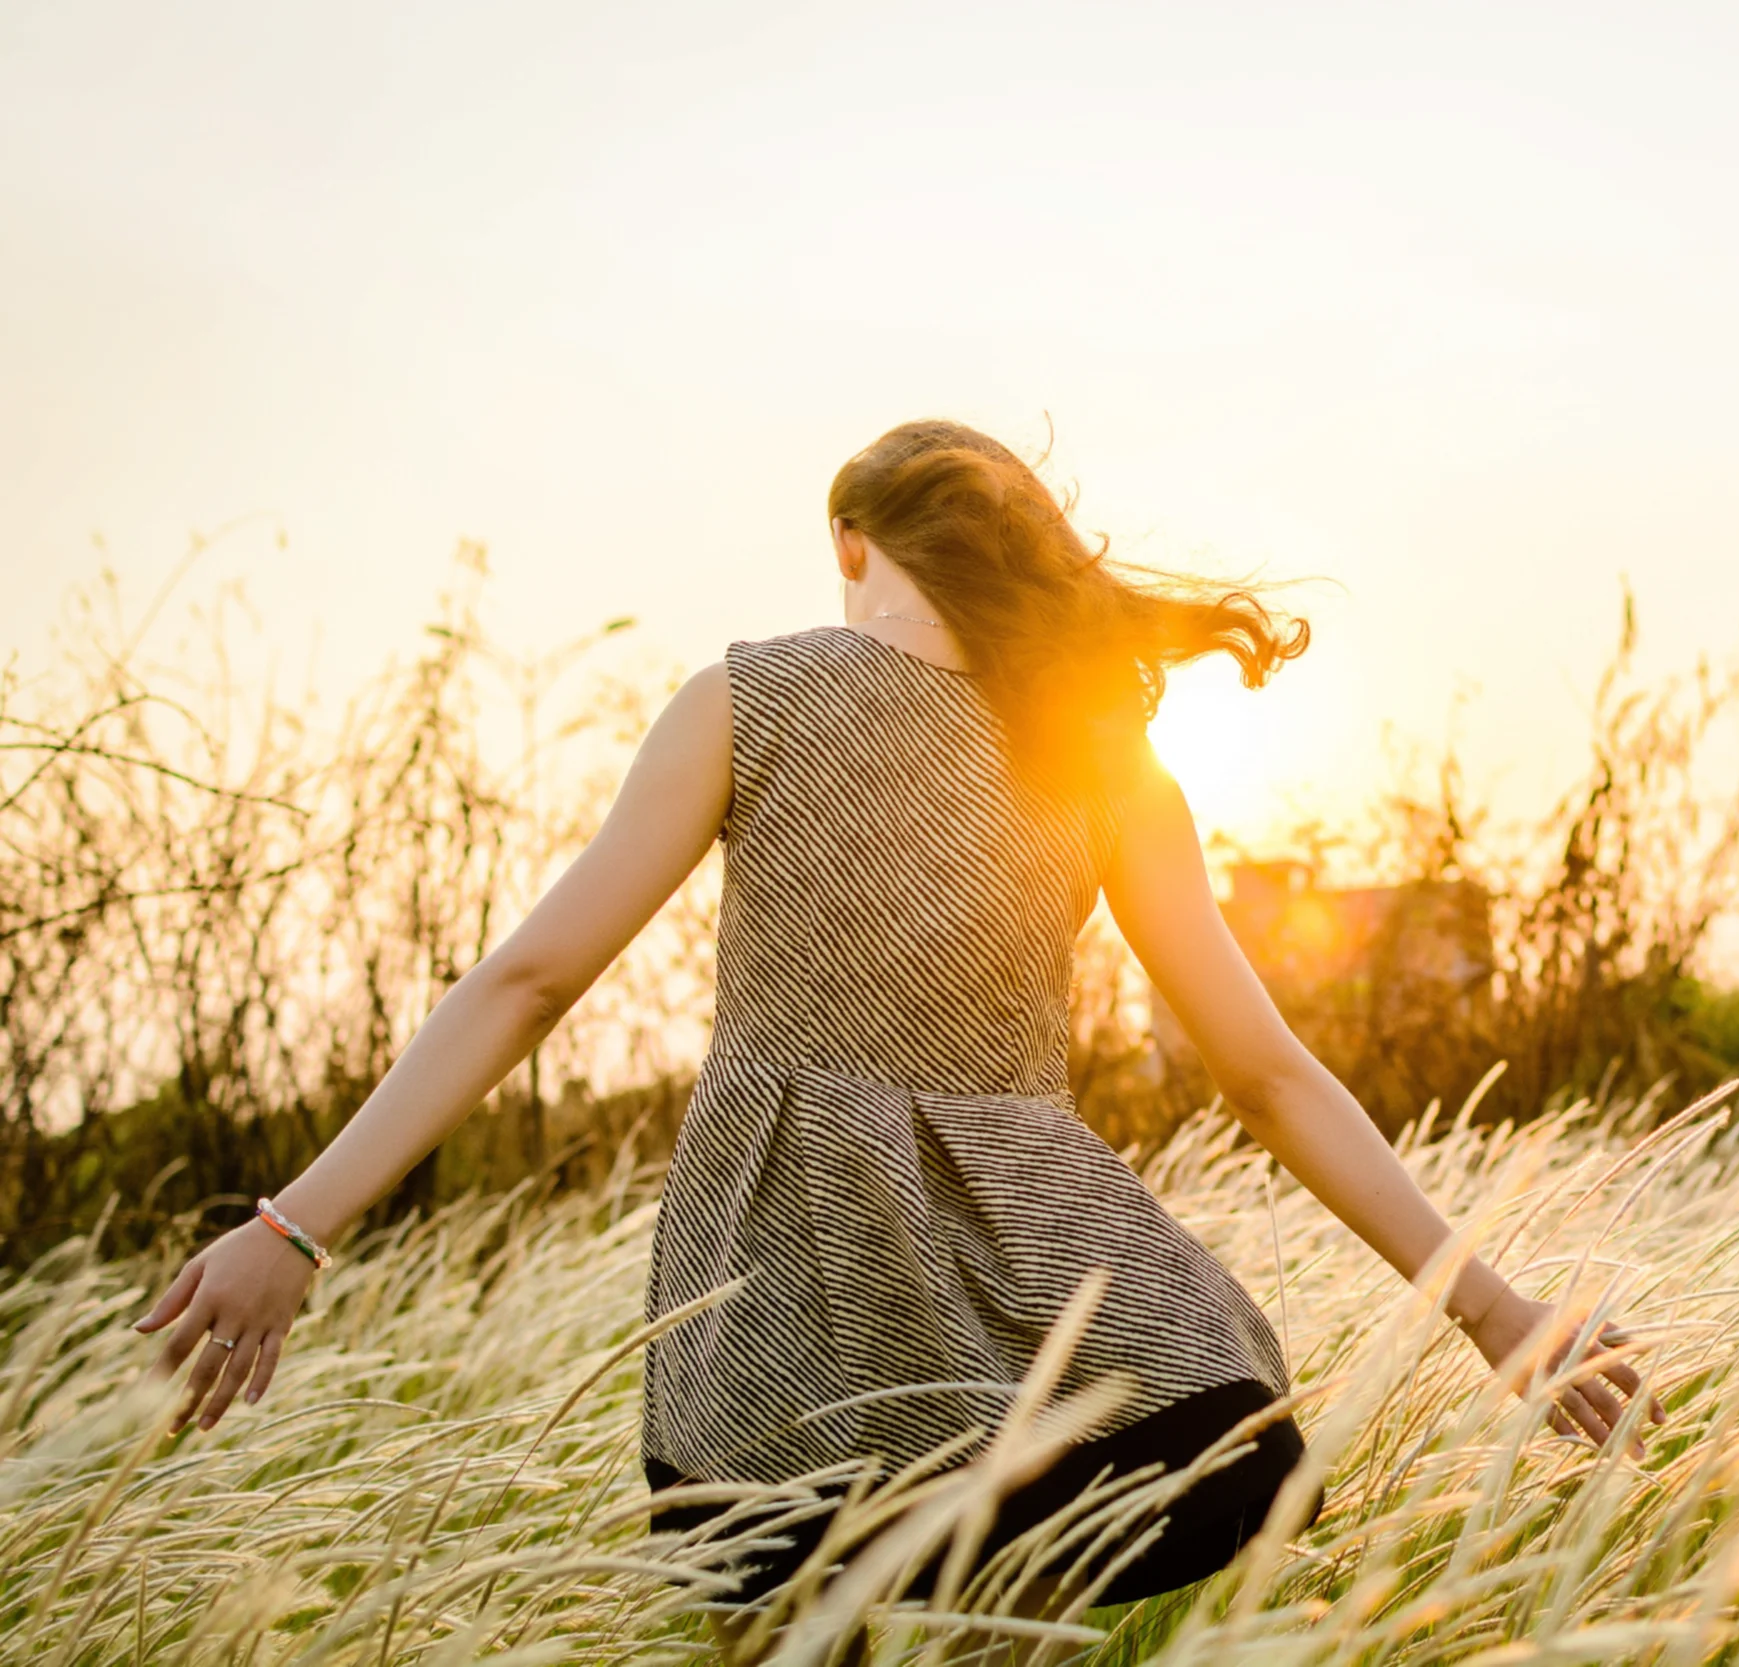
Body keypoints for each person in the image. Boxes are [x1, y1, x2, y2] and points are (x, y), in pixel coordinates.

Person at [133, 419, 1648, 1634]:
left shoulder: (752, 696)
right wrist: (1495, 1312)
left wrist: (298, 1223)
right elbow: (1266, 1073)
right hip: (1033, 1297)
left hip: (771, 1279)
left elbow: (531, 984)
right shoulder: (1101, 762)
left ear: (853, 540)